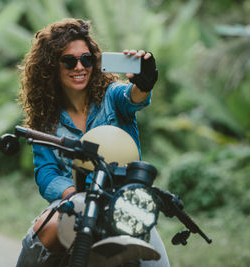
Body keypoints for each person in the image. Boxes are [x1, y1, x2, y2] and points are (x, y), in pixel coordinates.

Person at [15, 18, 169, 267]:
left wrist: (144, 82)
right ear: (51, 66)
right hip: (73, 201)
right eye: (69, 60)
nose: (80, 66)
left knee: (156, 260)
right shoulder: (44, 119)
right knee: (40, 236)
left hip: (123, 203)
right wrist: (79, 196)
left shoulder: (112, 96)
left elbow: (133, 97)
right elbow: (46, 174)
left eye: (86, 59)